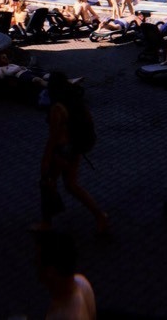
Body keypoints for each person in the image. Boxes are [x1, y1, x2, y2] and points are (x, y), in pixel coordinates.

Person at [40, 72, 108, 233]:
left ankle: (46, 223)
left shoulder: (57, 108)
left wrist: (45, 160)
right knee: (71, 184)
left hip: (62, 151)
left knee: (47, 183)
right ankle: (100, 216)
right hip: (75, 147)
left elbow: (53, 138)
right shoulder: (74, 101)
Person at [34, 229, 96, 320]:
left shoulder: (65, 316)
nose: (35, 263)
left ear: (50, 271)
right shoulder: (82, 281)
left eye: (37, 260)